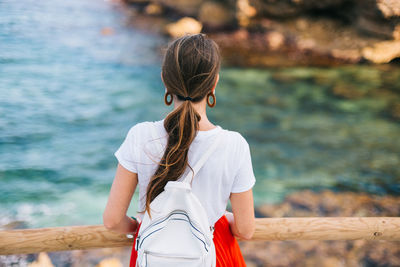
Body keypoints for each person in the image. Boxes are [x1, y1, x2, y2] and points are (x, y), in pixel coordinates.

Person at [103, 33, 256, 267]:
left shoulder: (140, 136)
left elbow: (113, 221)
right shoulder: (234, 145)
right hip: (213, 255)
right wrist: (217, 216)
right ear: (214, 83)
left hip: (153, 255)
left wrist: (141, 225)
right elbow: (245, 230)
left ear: (165, 80)